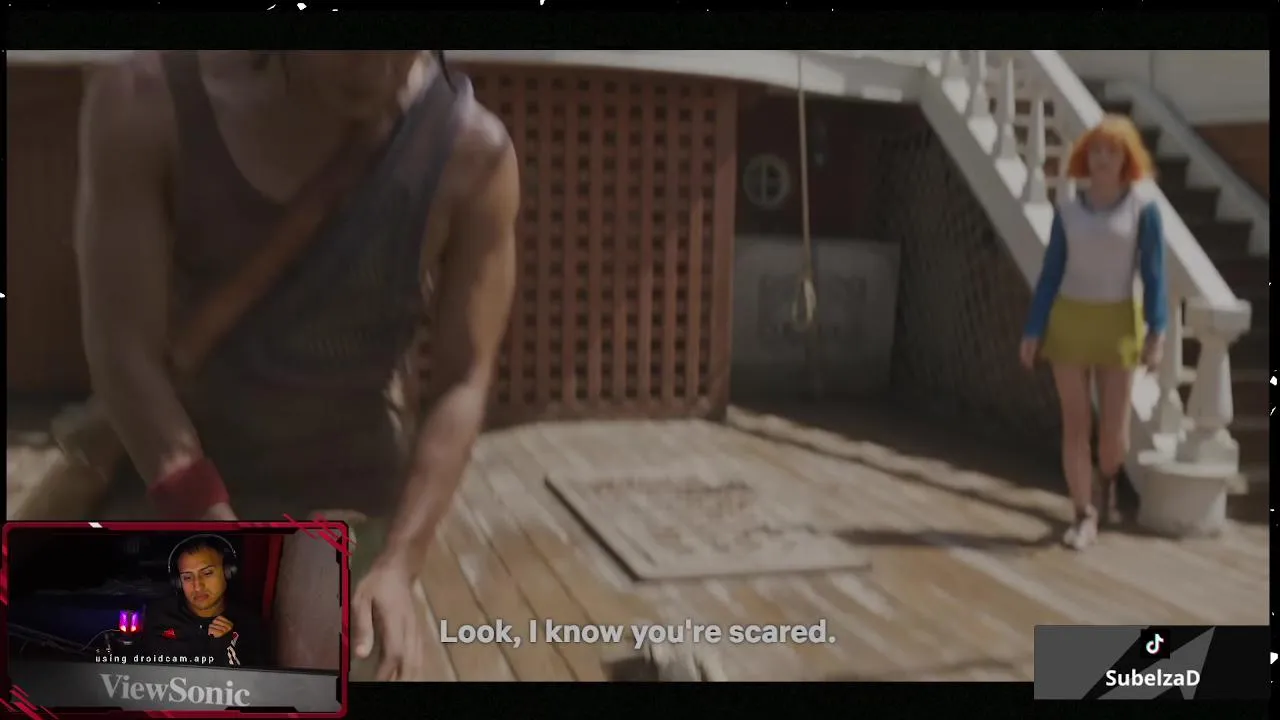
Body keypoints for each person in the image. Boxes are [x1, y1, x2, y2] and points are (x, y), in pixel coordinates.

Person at [75, 51, 518, 680]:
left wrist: (399, 564)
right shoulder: (145, 104)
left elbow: (464, 379)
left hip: (346, 510)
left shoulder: (472, 154)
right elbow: (123, 352)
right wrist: (217, 533)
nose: (374, 67)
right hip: (170, 485)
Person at [1019, 114, 1168, 551]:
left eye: (1112, 151)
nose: (1103, 158)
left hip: (1119, 324)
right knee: (1076, 424)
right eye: (1096, 151)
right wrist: (1033, 329)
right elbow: (1050, 274)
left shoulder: (1143, 209)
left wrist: (1157, 330)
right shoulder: (1067, 211)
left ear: (1127, 159)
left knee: (1113, 437)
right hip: (1070, 322)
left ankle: (1107, 481)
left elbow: (1154, 274)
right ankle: (1083, 512)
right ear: (1086, 157)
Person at [142, 535, 267, 668]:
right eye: (187, 577)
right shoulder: (159, 616)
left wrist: (223, 647)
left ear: (228, 572)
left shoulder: (249, 625)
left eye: (207, 573)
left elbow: (251, 679)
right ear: (178, 582)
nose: (197, 587)